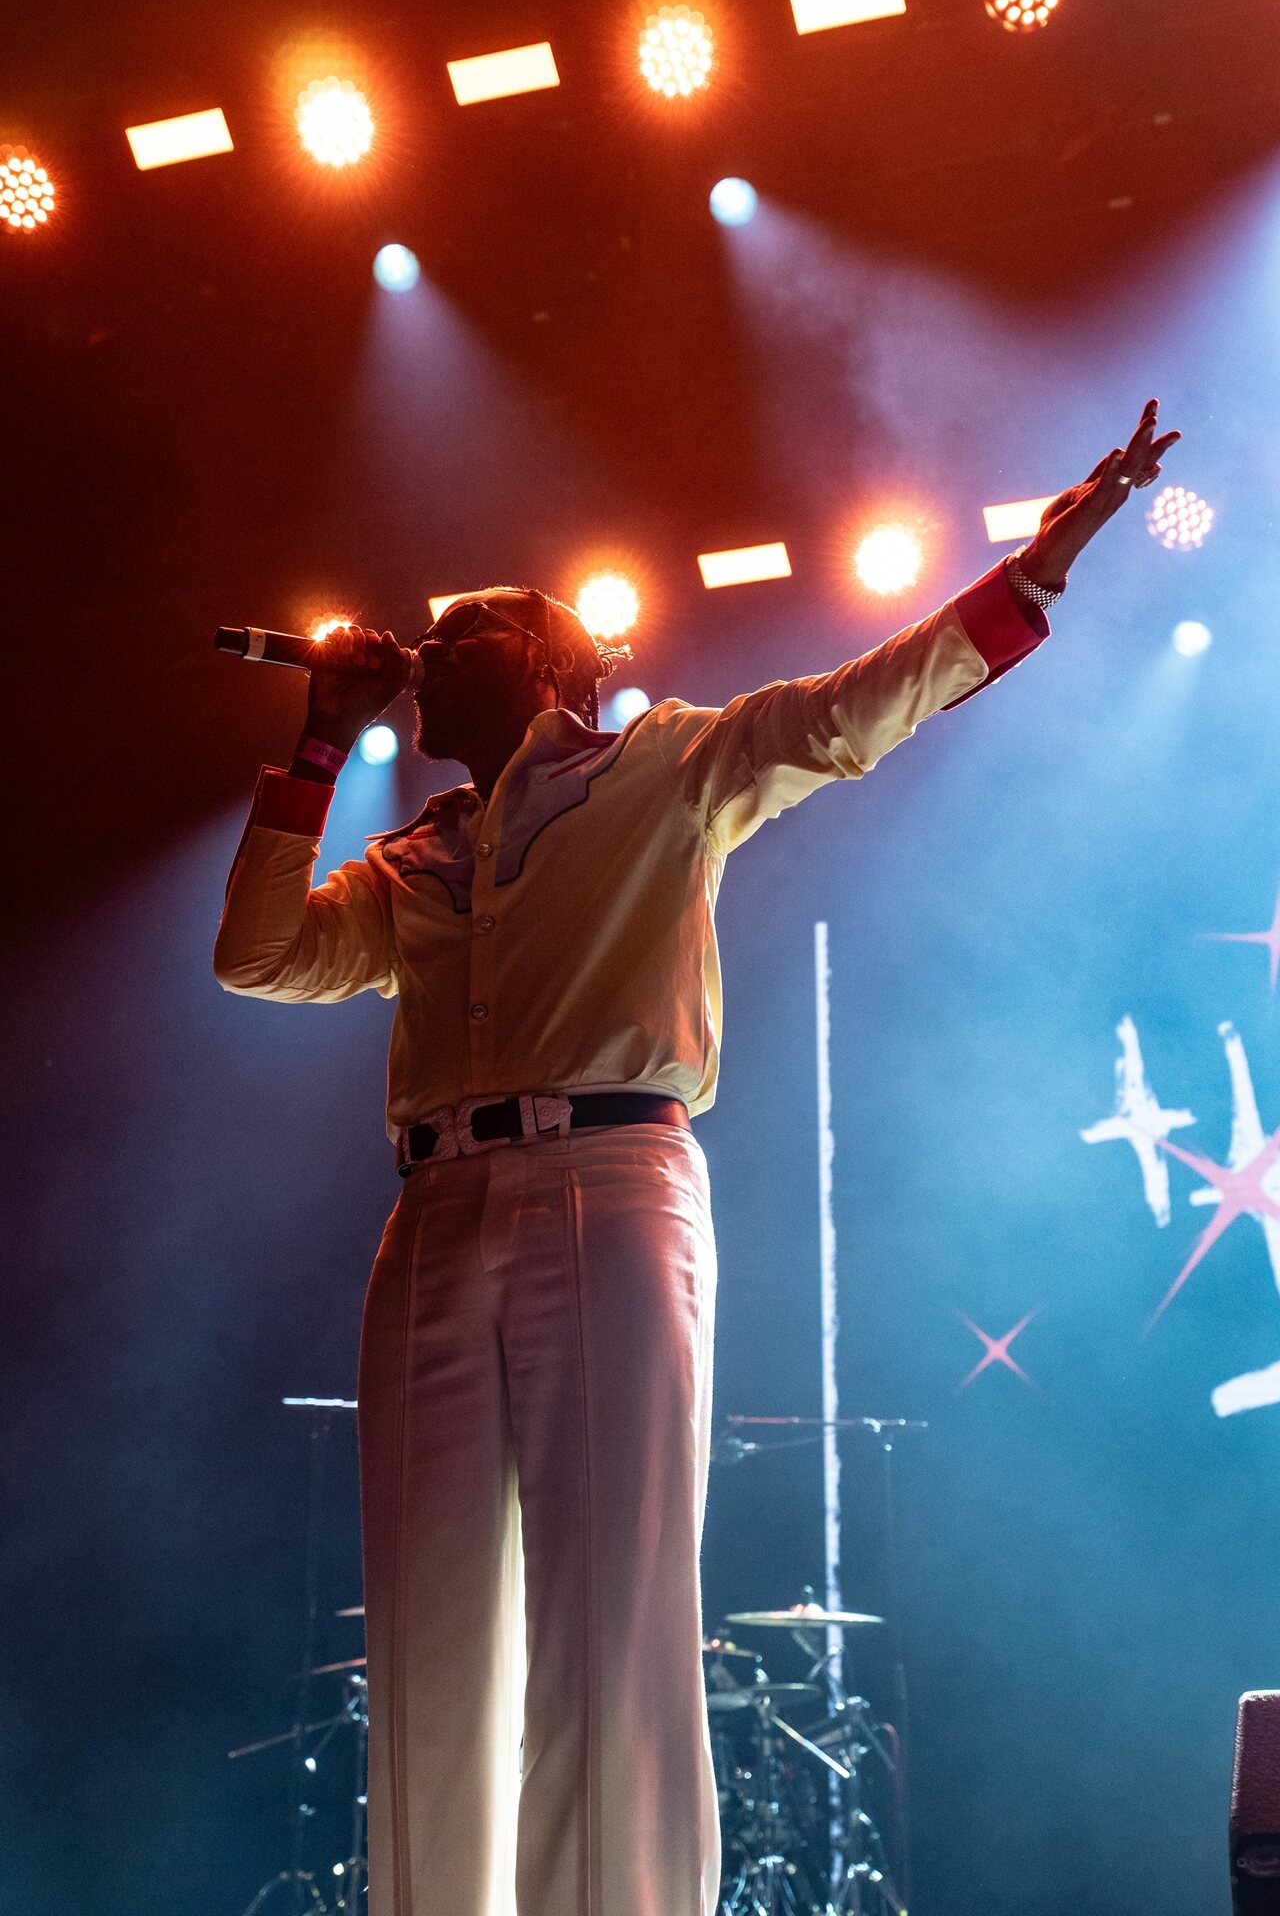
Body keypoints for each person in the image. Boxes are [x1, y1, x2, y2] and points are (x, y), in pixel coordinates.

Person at [213, 399, 1179, 1916]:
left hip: (605, 1186)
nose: (427, 650)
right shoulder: (416, 858)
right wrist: (321, 741)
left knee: (609, 1609)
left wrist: (1033, 571)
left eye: (461, 634)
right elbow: (257, 957)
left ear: (550, 666)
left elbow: (855, 710)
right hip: (433, 1208)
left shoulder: (666, 766)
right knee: (426, 1621)